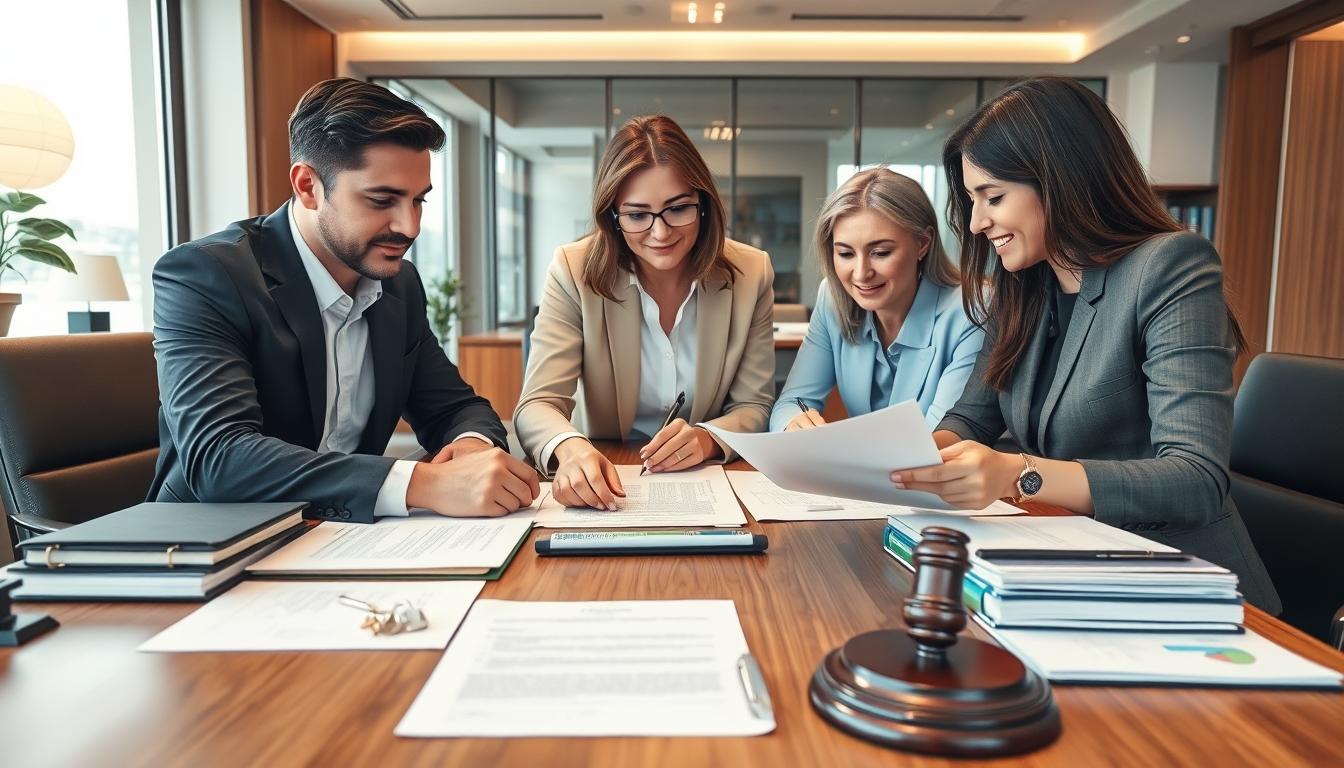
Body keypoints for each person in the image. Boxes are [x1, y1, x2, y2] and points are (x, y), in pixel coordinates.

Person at [894, 77, 1279, 611]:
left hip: (1180, 583)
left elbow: (1196, 478)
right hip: (1068, 559)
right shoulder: (1024, 285)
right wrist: (907, 461)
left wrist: (1018, 473)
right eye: (971, 200)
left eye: (994, 197)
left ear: (1061, 181)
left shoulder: (1170, 266)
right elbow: (972, 417)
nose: (978, 223)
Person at [149, 78, 539, 522]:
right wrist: (421, 483)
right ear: (308, 186)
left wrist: (469, 448)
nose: (409, 227)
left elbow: (455, 407)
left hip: (345, 534)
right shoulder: (207, 275)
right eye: (382, 200)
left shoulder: (398, 285)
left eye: (418, 201)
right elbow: (219, 458)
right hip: (216, 541)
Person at [514, 114, 776, 511]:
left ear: (703, 204)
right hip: (607, 474)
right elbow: (537, 403)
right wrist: (569, 448)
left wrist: (707, 438)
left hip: (704, 480)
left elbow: (754, 406)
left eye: (678, 208)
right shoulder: (573, 270)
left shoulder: (751, 272)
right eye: (637, 215)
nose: (661, 232)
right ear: (613, 217)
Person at [769, 168, 982, 433]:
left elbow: (942, 437)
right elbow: (791, 403)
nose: (861, 274)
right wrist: (794, 425)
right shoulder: (833, 298)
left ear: (923, 243)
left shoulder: (971, 311)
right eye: (846, 254)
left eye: (881, 253)